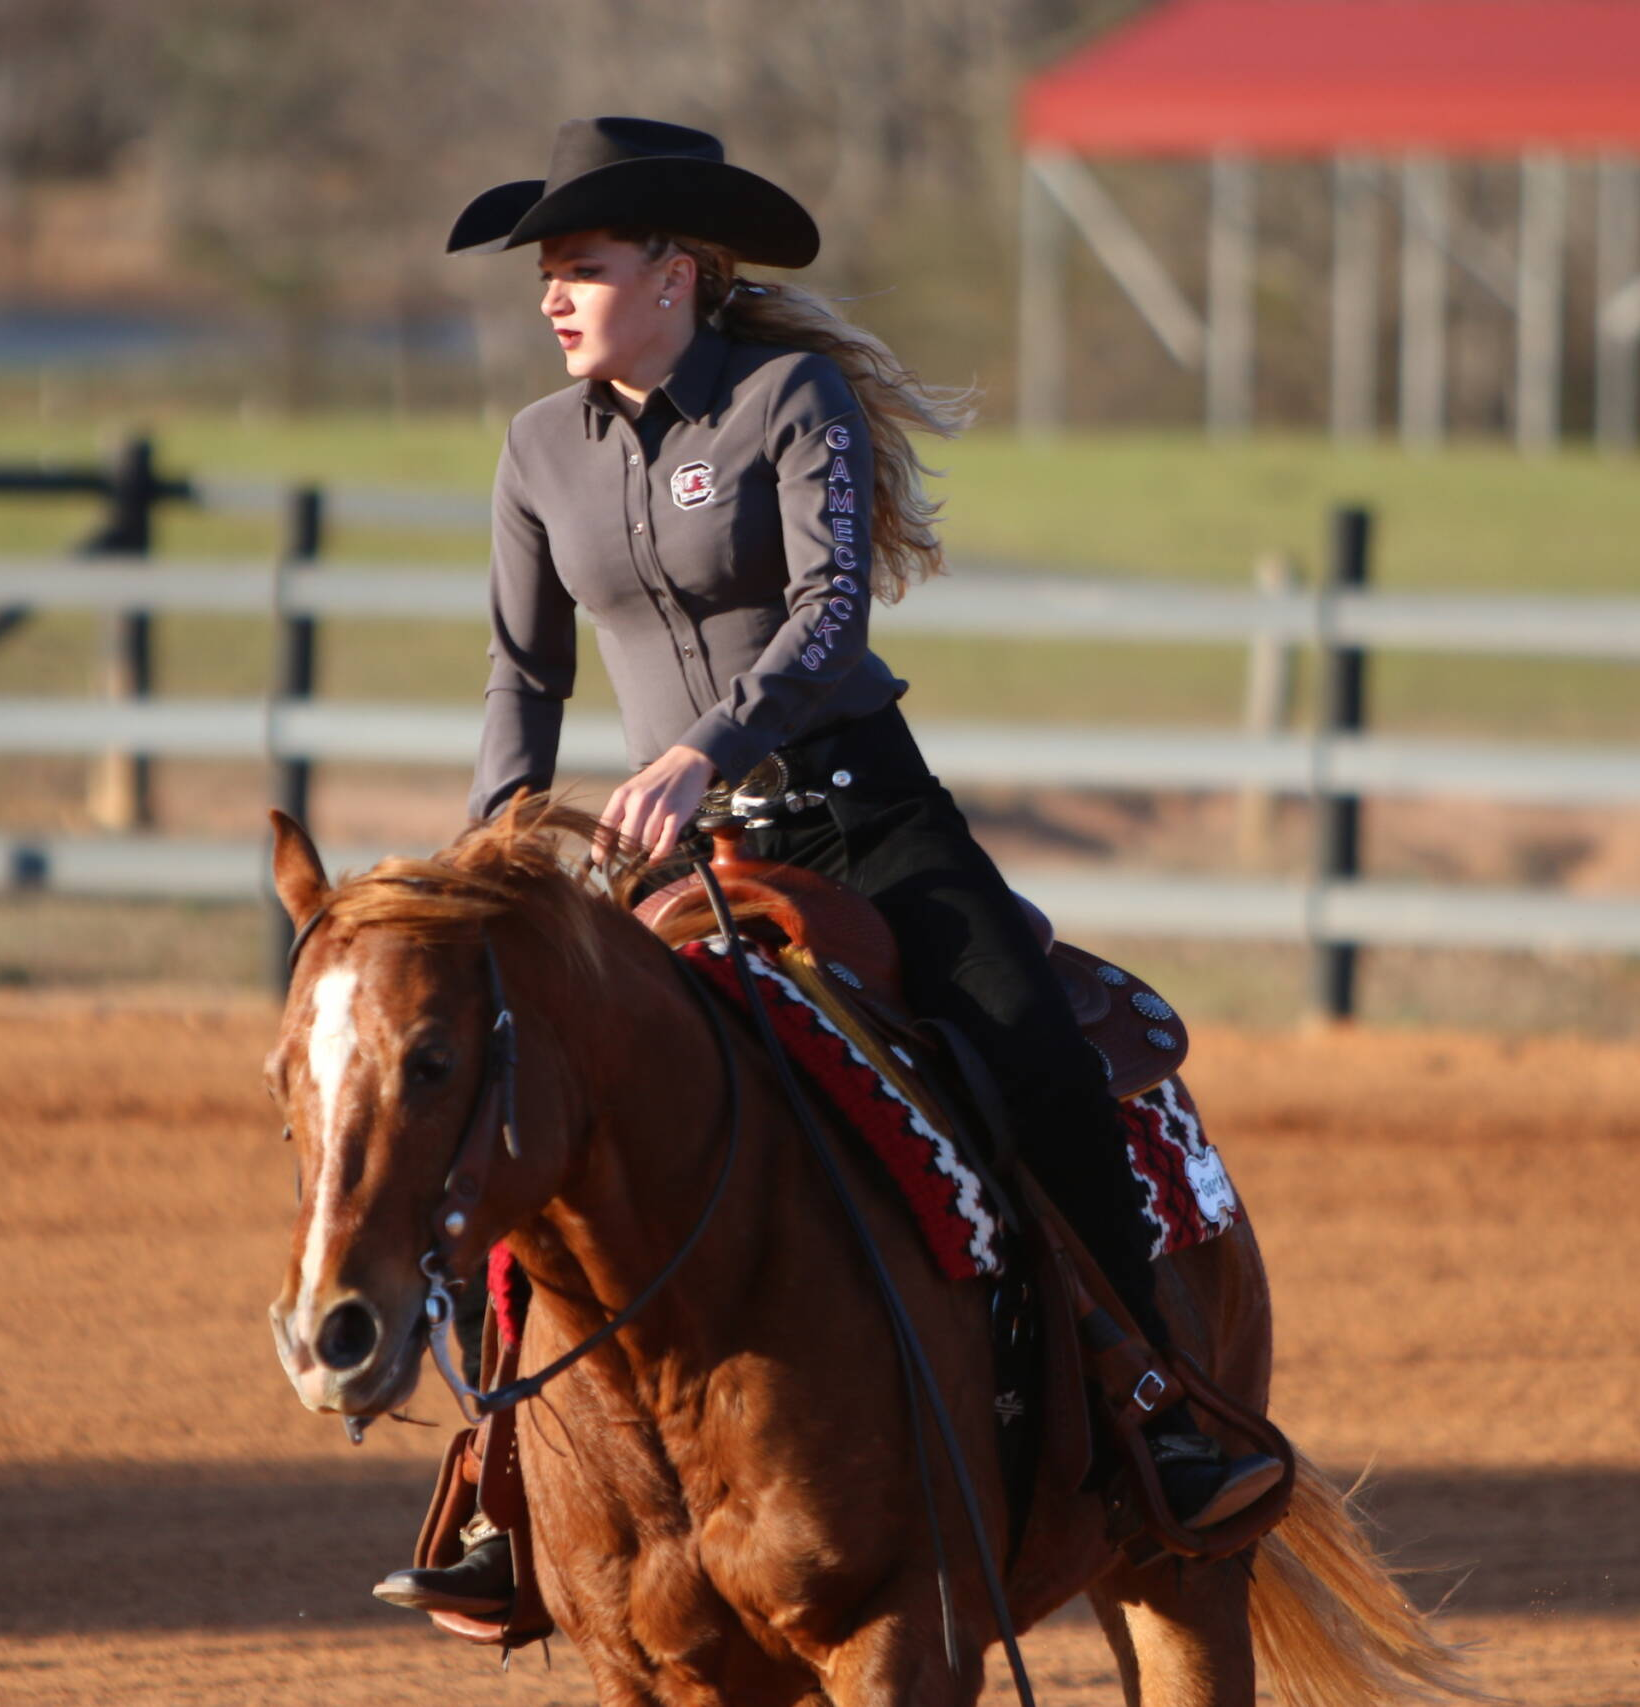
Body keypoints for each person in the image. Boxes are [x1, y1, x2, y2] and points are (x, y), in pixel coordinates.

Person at [378, 116, 1281, 1618]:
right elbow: (519, 673)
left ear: (676, 273)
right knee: (518, 1097)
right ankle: (502, 1480)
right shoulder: (538, 448)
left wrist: (698, 751)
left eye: (582, 266)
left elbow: (828, 622)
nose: (554, 296)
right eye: (548, 271)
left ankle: (1155, 1409)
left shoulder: (792, 398)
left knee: (1035, 1052)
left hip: (863, 819)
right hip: (665, 861)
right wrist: (495, 847)